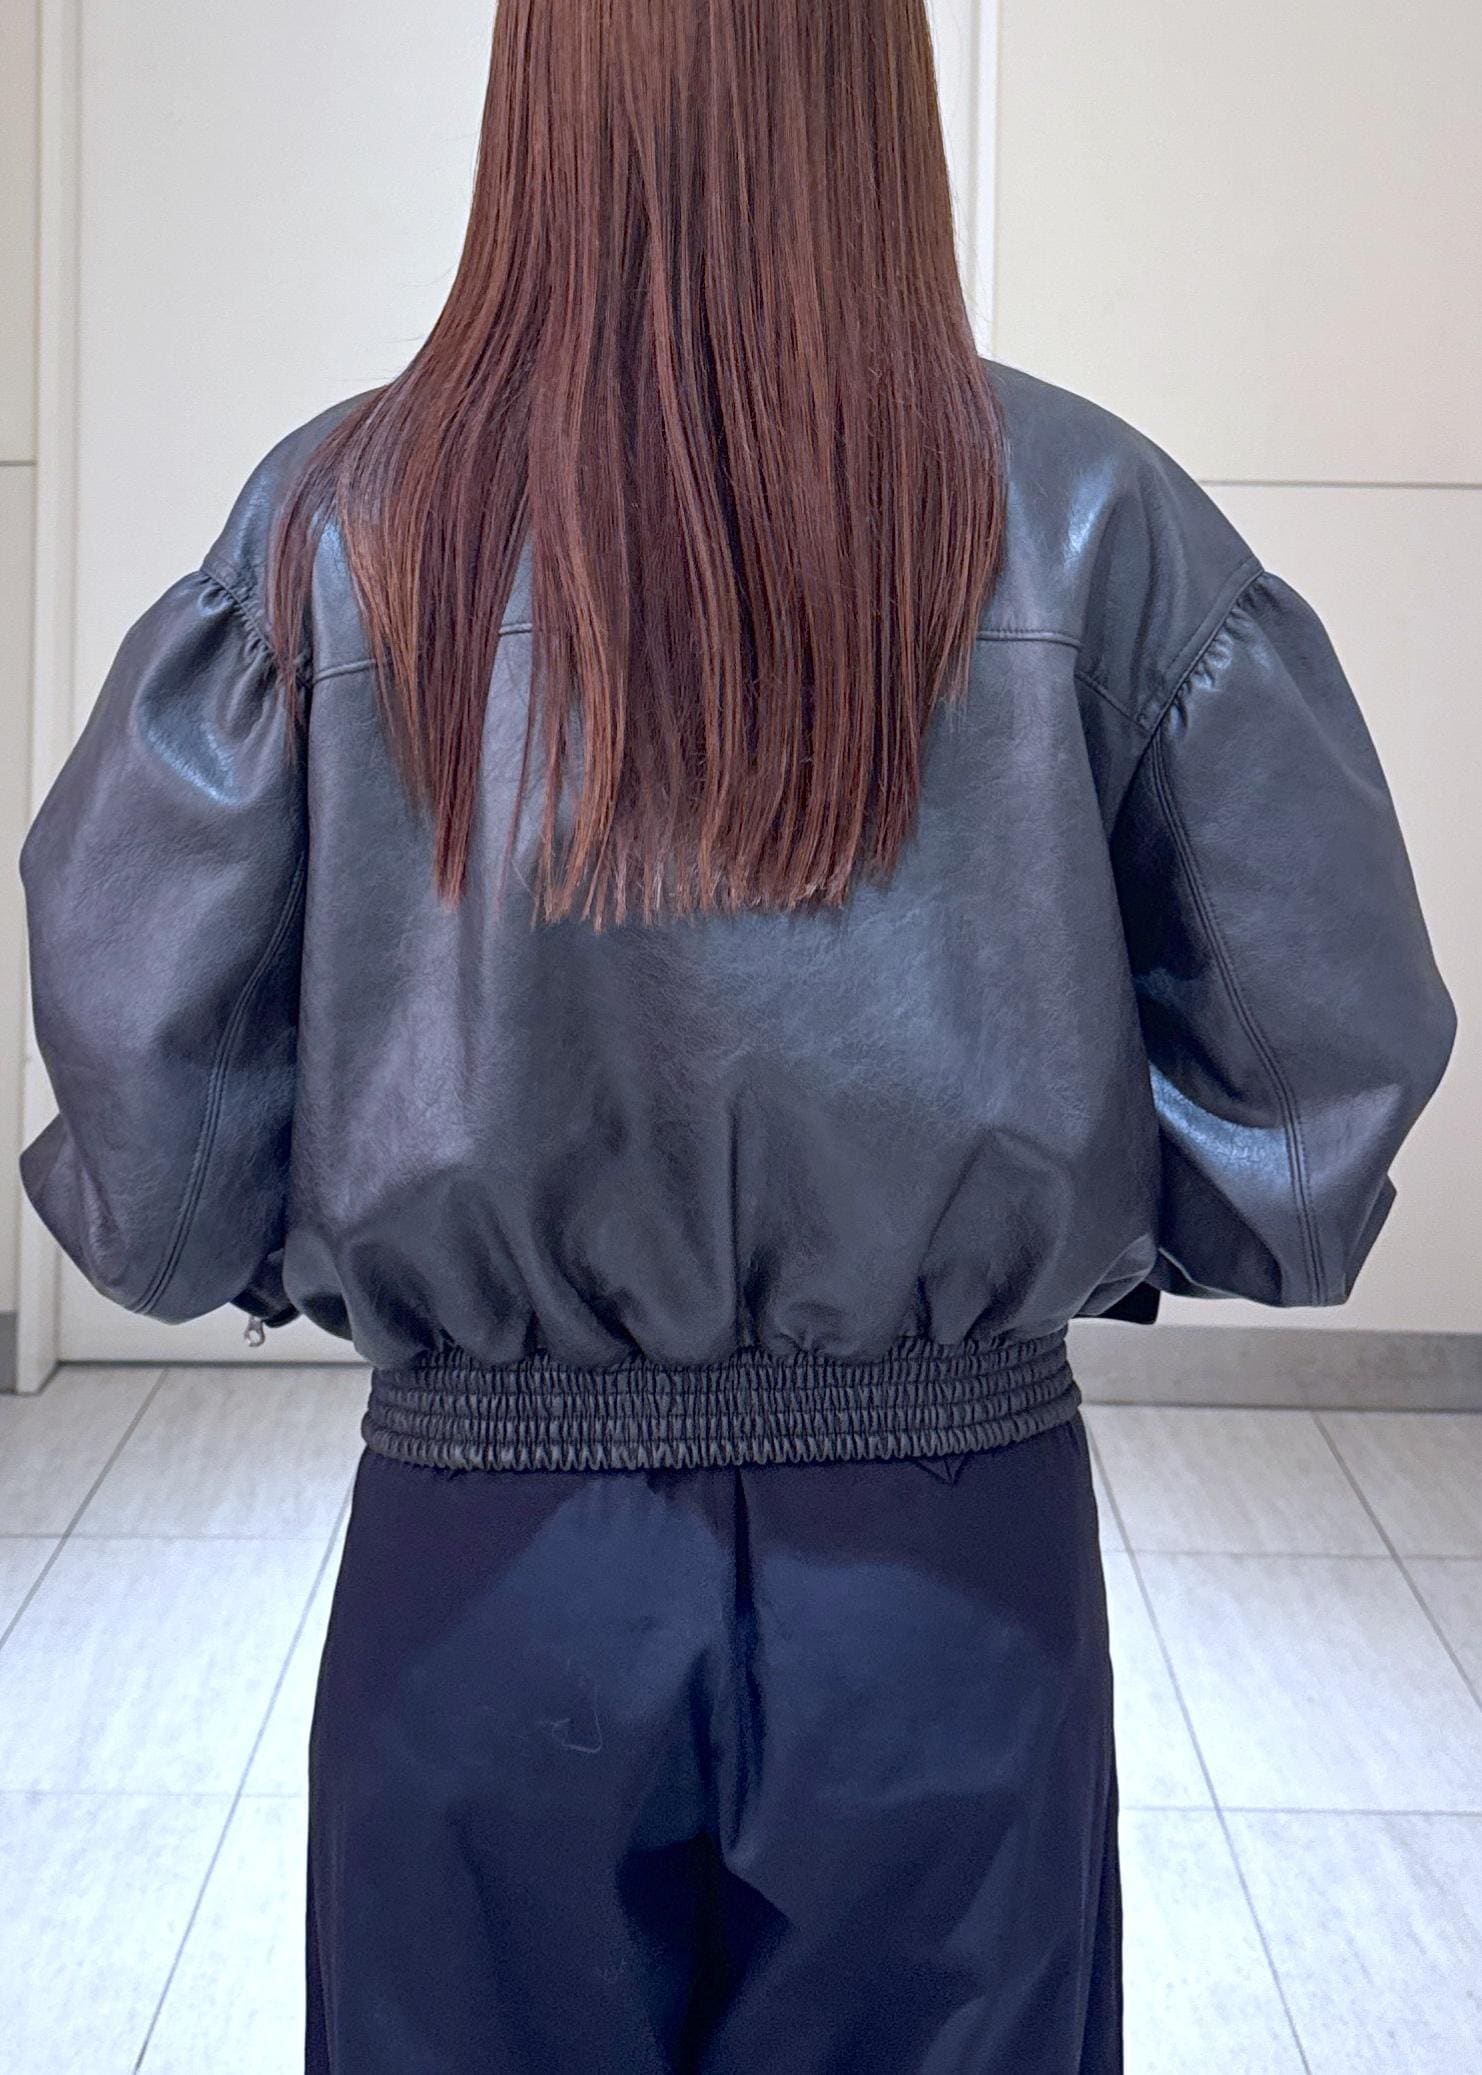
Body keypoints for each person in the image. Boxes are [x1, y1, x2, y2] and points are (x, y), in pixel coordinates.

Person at [16, 2, 1457, 2070]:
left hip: (482, 1571)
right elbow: (1314, 1091)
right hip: (952, 1568)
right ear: (878, 93)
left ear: (542, 92)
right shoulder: (1094, 516)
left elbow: (152, 1138)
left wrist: (297, 1236)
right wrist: (1102, 1203)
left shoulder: (335, 527)